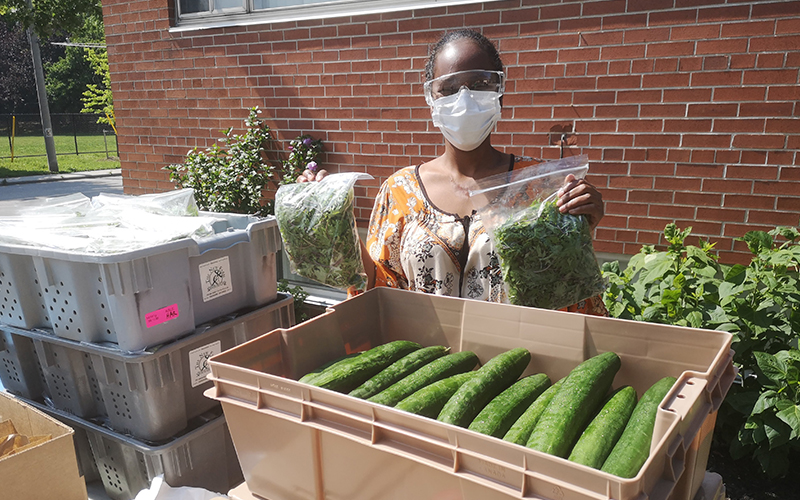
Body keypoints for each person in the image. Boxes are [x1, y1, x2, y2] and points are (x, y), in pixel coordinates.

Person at [299, 29, 607, 316]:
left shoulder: (539, 184)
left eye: (479, 84)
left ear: (499, 91)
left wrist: (578, 223)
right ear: (431, 98)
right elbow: (381, 286)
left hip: (518, 366)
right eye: (448, 88)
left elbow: (566, 290)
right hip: (428, 365)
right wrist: (331, 216)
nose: (464, 98)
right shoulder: (400, 190)